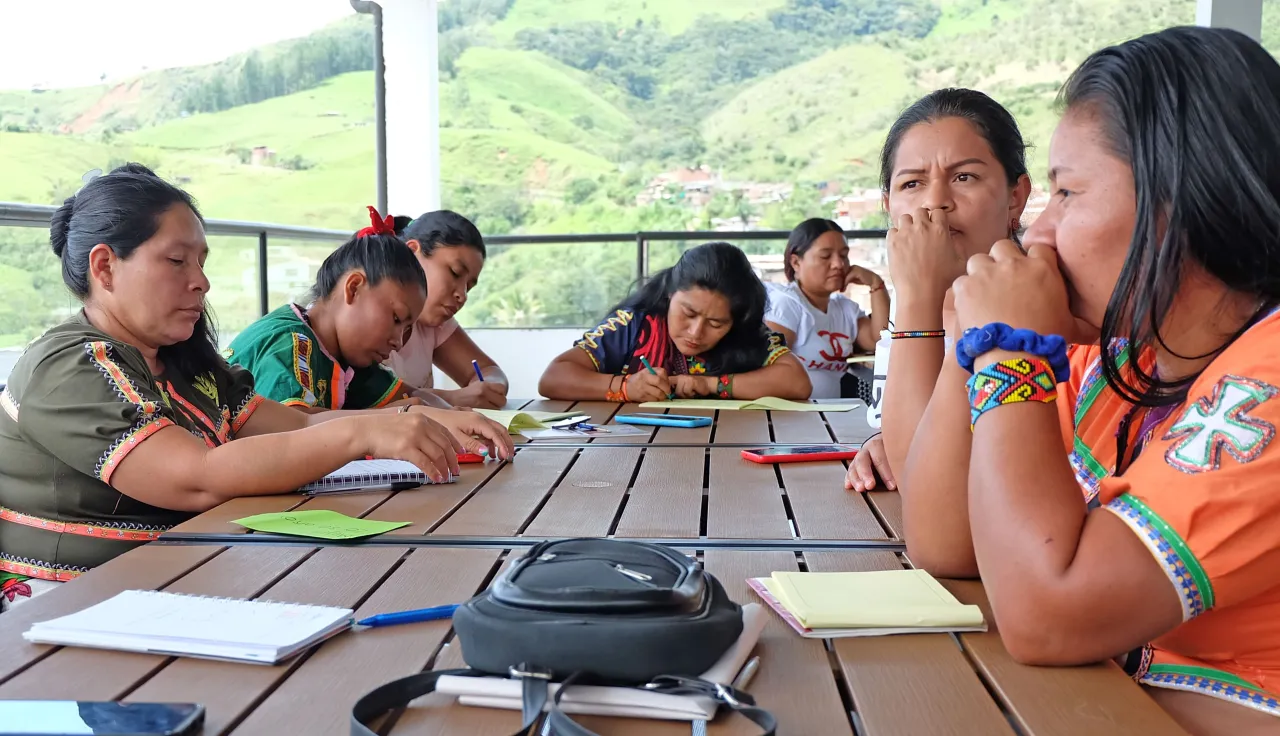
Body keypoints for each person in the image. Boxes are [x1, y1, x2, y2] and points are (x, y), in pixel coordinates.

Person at [920, 27, 1280, 734]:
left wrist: (1010, 355)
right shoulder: (1122, 356)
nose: (1039, 232)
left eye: (1067, 193)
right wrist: (972, 337)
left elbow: (1048, 616)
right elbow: (947, 542)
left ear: (1183, 199)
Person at [0, 168, 512, 609]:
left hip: (172, 581)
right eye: (178, 261)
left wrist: (423, 419)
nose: (201, 282)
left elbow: (299, 421)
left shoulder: (181, 362)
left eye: (201, 263)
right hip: (68, 609)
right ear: (105, 267)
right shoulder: (69, 366)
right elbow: (196, 477)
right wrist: (364, 434)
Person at [840, 88, 1032, 499]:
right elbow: (915, 453)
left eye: (964, 177)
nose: (935, 202)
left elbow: (929, 492)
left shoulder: (1037, 312)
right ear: (889, 205)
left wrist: (917, 295)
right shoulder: (916, 310)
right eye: (913, 183)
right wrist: (886, 443)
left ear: (1016, 197)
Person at [539, 242, 810, 402]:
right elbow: (553, 378)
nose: (695, 332)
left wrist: (710, 384)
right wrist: (624, 387)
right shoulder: (634, 323)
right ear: (670, 294)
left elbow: (797, 383)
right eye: (688, 314)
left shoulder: (747, 331)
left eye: (716, 324)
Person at [227, 208, 440, 411]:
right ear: (354, 288)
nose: (399, 342)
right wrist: (396, 416)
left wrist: (455, 414)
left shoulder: (347, 357)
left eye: (406, 329)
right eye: (396, 318)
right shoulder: (288, 343)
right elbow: (293, 427)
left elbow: (413, 399)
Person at [385, 211, 509, 409]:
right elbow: (367, 404)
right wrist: (450, 399)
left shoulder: (432, 324)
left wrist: (487, 387)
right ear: (412, 254)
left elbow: (489, 370)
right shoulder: (367, 320)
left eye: (469, 286)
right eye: (455, 273)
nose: (462, 295)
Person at [765, 218, 889, 399]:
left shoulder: (844, 308)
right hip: (791, 419)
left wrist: (876, 285)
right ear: (796, 262)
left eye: (844, 255)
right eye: (825, 256)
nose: (838, 264)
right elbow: (769, 372)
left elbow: (880, 341)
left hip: (831, 418)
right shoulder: (787, 304)